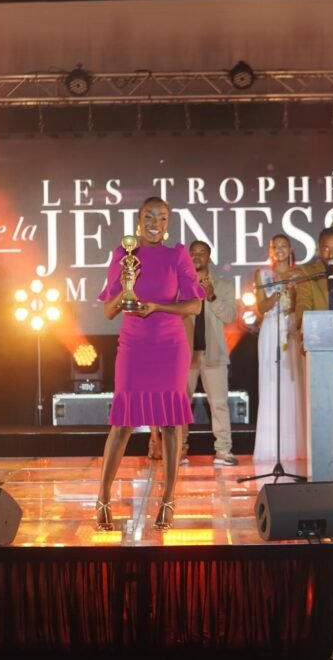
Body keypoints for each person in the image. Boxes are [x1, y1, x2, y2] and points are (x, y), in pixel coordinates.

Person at [95, 197, 204, 531]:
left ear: (168, 223)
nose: (155, 223)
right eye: (149, 216)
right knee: (123, 423)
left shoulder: (177, 255)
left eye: (162, 217)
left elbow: (194, 306)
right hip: (134, 344)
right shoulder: (123, 254)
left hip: (170, 345)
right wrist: (126, 284)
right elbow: (109, 310)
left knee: (170, 424)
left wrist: (158, 306)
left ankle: (168, 500)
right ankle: (103, 497)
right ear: (139, 221)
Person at [182, 240, 238, 466]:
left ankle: (223, 451)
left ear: (209, 258)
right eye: (193, 253)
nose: (197, 256)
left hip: (213, 352)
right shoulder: (179, 284)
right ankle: (179, 450)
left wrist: (212, 296)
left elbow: (230, 316)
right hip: (185, 354)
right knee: (180, 406)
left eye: (202, 253)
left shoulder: (224, 285)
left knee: (219, 404)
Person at [254, 234, 306, 462]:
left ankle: (295, 446)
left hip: (292, 328)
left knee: (293, 383)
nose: (280, 250)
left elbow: (301, 304)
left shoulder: (300, 274)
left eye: (284, 246)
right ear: (271, 251)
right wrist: (278, 292)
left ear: (290, 248)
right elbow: (261, 307)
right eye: (276, 247)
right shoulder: (263, 274)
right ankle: (272, 446)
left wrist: (292, 291)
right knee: (272, 382)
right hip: (271, 329)